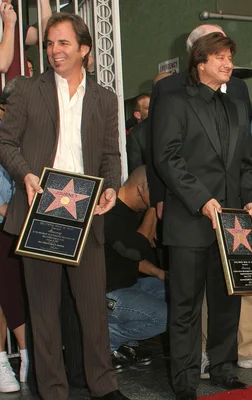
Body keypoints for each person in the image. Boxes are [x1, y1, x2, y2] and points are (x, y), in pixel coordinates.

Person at [0, 13, 127, 400]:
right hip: (39, 208)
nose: (54, 50)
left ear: (84, 49)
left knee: (93, 309)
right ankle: (52, 390)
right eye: (51, 43)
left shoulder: (105, 99)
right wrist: (25, 175)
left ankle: (103, 387)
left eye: (63, 43)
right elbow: (5, 144)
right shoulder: (25, 89)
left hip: (86, 212)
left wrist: (110, 188)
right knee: (43, 311)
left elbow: (110, 155)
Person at [153, 32, 252, 398]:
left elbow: (248, 161)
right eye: (221, 58)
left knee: (228, 298)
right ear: (201, 63)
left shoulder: (236, 106)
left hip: (231, 223)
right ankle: (184, 380)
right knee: (185, 305)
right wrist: (201, 200)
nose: (229, 64)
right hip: (190, 220)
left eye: (229, 57)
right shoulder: (174, 100)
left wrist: (250, 200)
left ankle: (224, 366)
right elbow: (167, 157)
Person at [104, 166, 166, 371]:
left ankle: (125, 343)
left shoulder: (129, 212)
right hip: (111, 293)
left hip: (131, 284)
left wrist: (159, 273)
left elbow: (129, 256)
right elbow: (136, 249)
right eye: (156, 192)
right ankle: (108, 338)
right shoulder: (109, 211)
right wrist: (152, 209)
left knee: (182, 295)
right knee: (168, 315)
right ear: (141, 188)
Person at [0, 76, 28, 394]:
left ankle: (27, 354)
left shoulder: (32, 135)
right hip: (7, 222)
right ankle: (4, 362)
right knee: (5, 291)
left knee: (26, 290)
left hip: (26, 225)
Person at [0, 0, 51, 81]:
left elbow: (45, 36)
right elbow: (2, 64)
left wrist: (44, 2)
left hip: (21, 91)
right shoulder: (10, 23)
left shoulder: (16, 28)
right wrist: (9, 24)